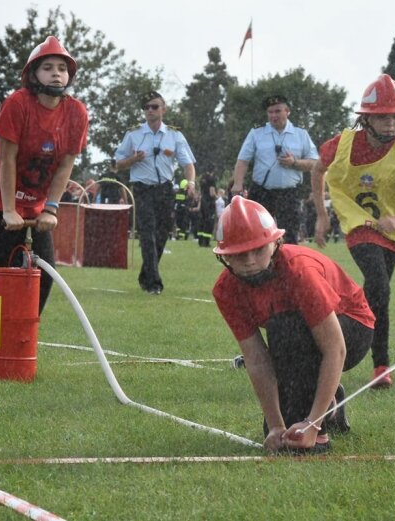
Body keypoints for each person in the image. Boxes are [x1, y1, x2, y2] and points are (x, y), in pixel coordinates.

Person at [0, 36, 89, 382]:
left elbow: (65, 166)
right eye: (48, 67)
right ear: (33, 74)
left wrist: (50, 208)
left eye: (62, 68)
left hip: (34, 208)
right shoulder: (18, 103)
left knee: (43, 276)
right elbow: (7, 159)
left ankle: (18, 344)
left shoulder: (76, 113)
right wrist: (7, 209)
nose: (56, 74)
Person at [212, 196, 374, 454]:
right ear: (225, 258)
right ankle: (331, 404)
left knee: (285, 330)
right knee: (280, 432)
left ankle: (320, 434)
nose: (251, 261)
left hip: (353, 326)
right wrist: (276, 424)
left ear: (275, 243)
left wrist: (311, 425)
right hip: (301, 333)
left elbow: (335, 349)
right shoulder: (226, 290)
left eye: (258, 250)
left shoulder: (298, 272)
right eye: (240, 255)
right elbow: (256, 359)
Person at [311, 74, 395, 389]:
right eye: (383, 117)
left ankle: (355, 338)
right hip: (358, 225)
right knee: (380, 289)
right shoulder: (343, 141)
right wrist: (322, 215)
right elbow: (318, 169)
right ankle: (361, 357)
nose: (392, 124)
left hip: (393, 234)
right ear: (366, 119)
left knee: (377, 297)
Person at [115, 91, 196, 295]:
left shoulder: (174, 135)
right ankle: (154, 283)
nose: (150, 110)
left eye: (154, 106)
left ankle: (146, 274)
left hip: (165, 189)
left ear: (163, 109)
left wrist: (192, 182)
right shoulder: (133, 134)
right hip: (142, 188)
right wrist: (133, 159)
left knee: (161, 234)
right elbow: (117, 164)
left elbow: (188, 163)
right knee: (147, 233)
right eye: (147, 107)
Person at [230, 95, 319, 245]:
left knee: (290, 235)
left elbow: (315, 163)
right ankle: (260, 267)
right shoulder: (256, 133)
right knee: (257, 234)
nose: (273, 116)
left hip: (289, 193)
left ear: (287, 111)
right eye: (270, 112)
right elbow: (243, 160)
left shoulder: (300, 134)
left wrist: (295, 163)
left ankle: (288, 266)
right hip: (262, 191)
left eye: (277, 111)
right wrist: (238, 183)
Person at [197, 172, 217, 248]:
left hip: (203, 201)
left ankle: (200, 241)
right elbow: (212, 193)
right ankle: (206, 242)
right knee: (209, 221)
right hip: (209, 203)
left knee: (202, 221)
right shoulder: (211, 179)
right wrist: (217, 196)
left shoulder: (202, 179)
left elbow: (201, 192)